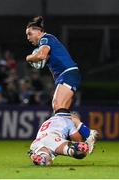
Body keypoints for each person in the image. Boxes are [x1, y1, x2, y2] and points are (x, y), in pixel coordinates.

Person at [26, 16, 98, 153]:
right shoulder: (46, 41)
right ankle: (82, 140)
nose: (28, 37)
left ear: (39, 31)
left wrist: (28, 57)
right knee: (63, 112)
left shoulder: (46, 38)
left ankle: (87, 134)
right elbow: (44, 57)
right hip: (68, 74)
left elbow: (41, 55)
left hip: (68, 73)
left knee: (57, 106)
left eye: (30, 33)